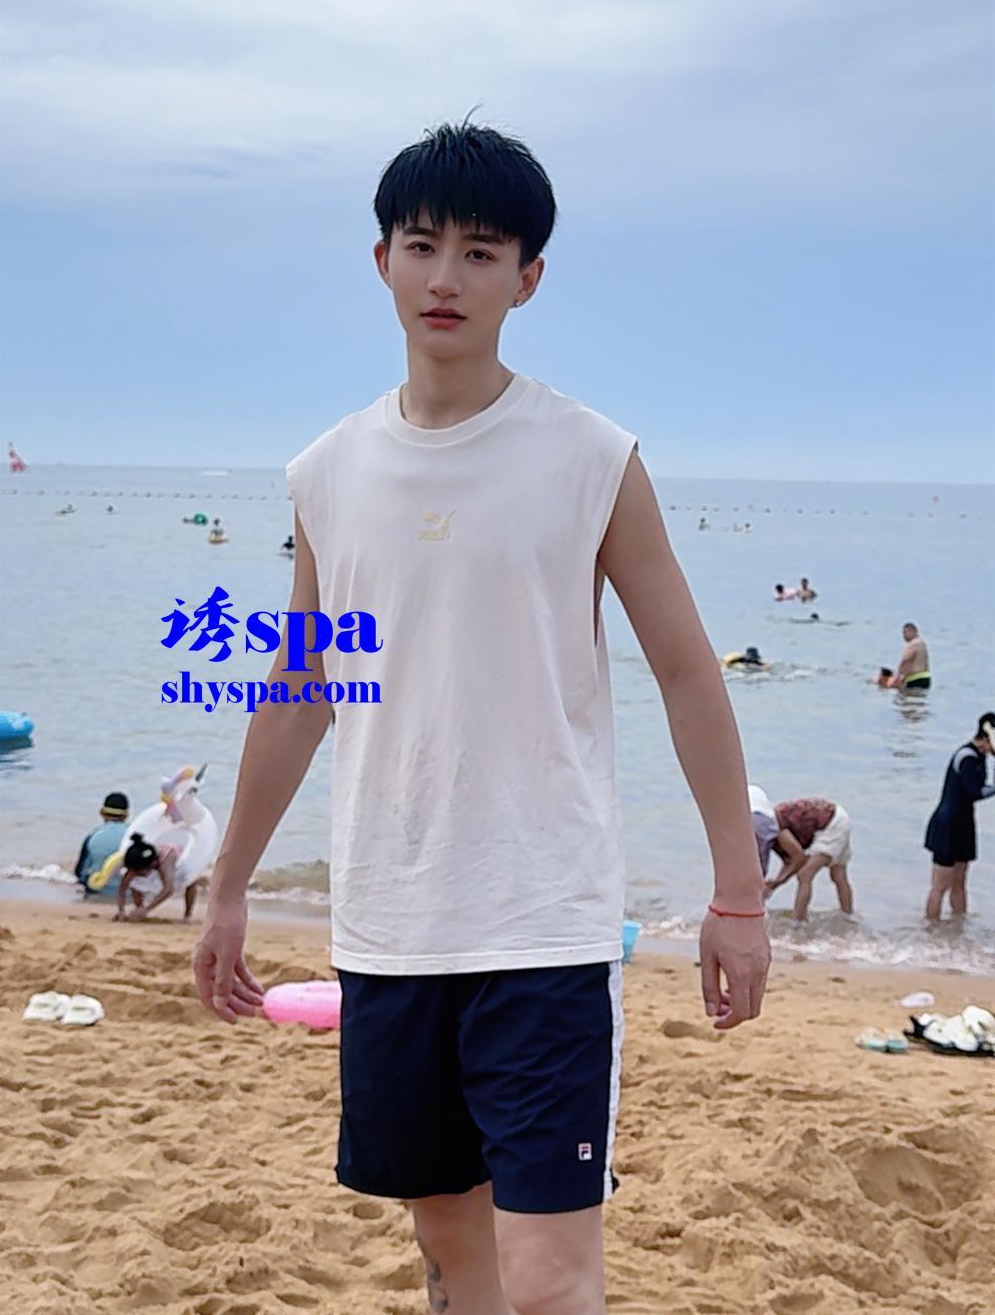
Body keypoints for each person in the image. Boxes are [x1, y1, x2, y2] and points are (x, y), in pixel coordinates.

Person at [192, 117, 769, 1315]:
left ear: (527, 277)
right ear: (382, 261)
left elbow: (684, 671)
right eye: (422, 245)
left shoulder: (591, 457)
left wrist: (737, 895)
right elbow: (300, 694)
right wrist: (231, 881)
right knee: (453, 1255)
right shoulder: (326, 472)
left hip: (544, 924)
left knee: (551, 1279)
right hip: (392, 926)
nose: (445, 277)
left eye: (480, 251)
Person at [924, 713, 995, 921]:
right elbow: (974, 791)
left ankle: (958, 928)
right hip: (947, 823)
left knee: (960, 882)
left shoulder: (981, 757)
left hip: (964, 823)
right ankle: (931, 929)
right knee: (940, 885)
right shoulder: (966, 757)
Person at [763, 797, 854, 922]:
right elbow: (792, 862)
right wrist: (775, 884)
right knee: (838, 874)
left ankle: (799, 920)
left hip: (831, 823)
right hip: (836, 815)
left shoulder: (776, 828)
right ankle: (848, 917)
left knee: (804, 874)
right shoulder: (771, 823)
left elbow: (799, 858)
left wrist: (776, 884)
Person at [113, 832, 196, 922]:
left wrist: (148, 909)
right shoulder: (136, 860)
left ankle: (187, 914)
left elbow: (168, 889)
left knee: (191, 882)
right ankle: (139, 908)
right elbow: (122, 888)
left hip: (177, 864)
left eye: (140, 872)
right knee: (134, 882)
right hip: (148, 860)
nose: (138, 874)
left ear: (151, 864)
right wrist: (121, 910)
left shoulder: (165, 864)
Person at [73, 791, 129, 892]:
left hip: (97, 891)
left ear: (102, 813)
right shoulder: (135, 836)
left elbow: (80, 872)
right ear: (126, 815)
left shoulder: (93, 836)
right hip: (128, 893)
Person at [888, 621, 931, 691]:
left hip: (914, 680)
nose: (903, 636)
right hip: (926, 678)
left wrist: (897, 678)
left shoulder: (912, 644)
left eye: (905, 633)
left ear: (913, 631)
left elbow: (905, 661)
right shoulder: (922, 643)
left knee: (905, 697)